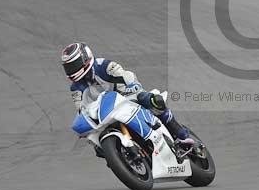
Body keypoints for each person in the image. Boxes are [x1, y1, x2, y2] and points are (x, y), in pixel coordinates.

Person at [61, 43, 194, 154]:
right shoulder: (76, 88)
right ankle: (122, 157)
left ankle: (181, 135)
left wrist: (133, 86)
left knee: (151, 100)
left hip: (126, 95)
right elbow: (81, 108)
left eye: (74, 65)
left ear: (86, 58)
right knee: (98, 147)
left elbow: (125, 75)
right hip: (105, 112)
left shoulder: (103, 65)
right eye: (68, 67)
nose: (71, 70)